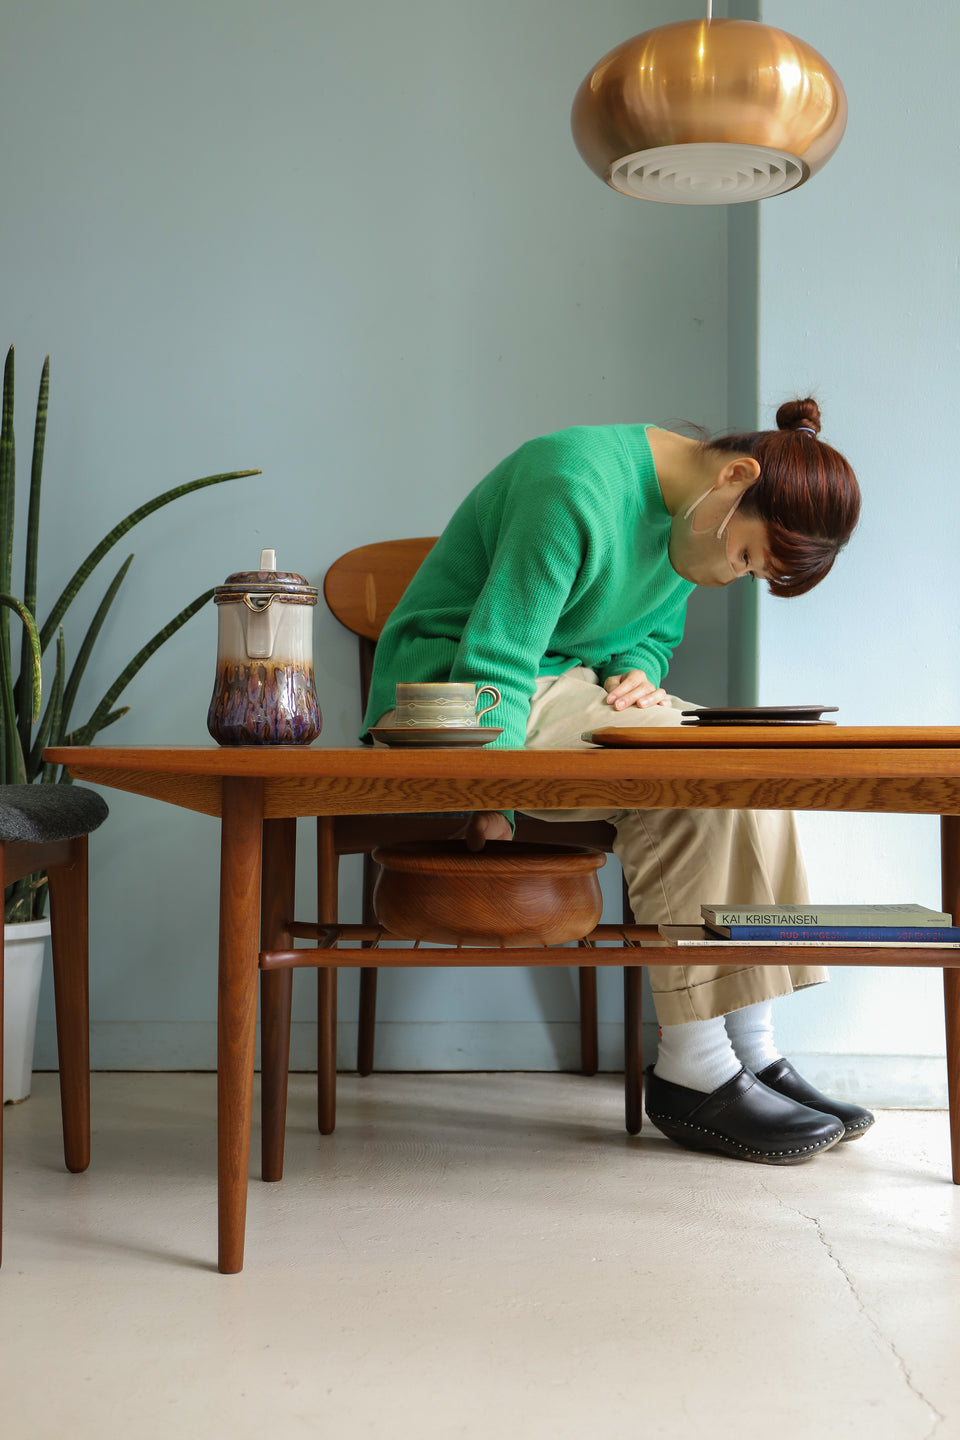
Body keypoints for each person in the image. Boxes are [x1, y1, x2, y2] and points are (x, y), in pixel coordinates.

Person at [362, 399, 873, 1165]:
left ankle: (752, 1051)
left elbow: (649, 634)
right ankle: (694, 1070)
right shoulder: (572, 481)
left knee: (750, 767)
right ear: (735, 478)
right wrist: (489, 799)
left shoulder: (696, 513)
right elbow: (499, 649)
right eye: (746, 559)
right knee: (686, 776)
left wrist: (636, 671)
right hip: (458, 695)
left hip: (560, 685)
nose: (734, 578)